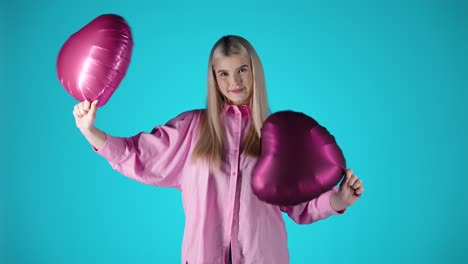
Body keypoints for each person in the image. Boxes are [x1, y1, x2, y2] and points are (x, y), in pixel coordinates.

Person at [73, 35, 365, 264]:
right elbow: (138, 155)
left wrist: (339, 199)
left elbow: (301, 207)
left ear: (255, 72)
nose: (234, 82)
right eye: (223, 74)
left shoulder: (277, 134)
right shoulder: (191, 128)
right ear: (213, 78)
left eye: (241, 70)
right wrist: (91, 131)